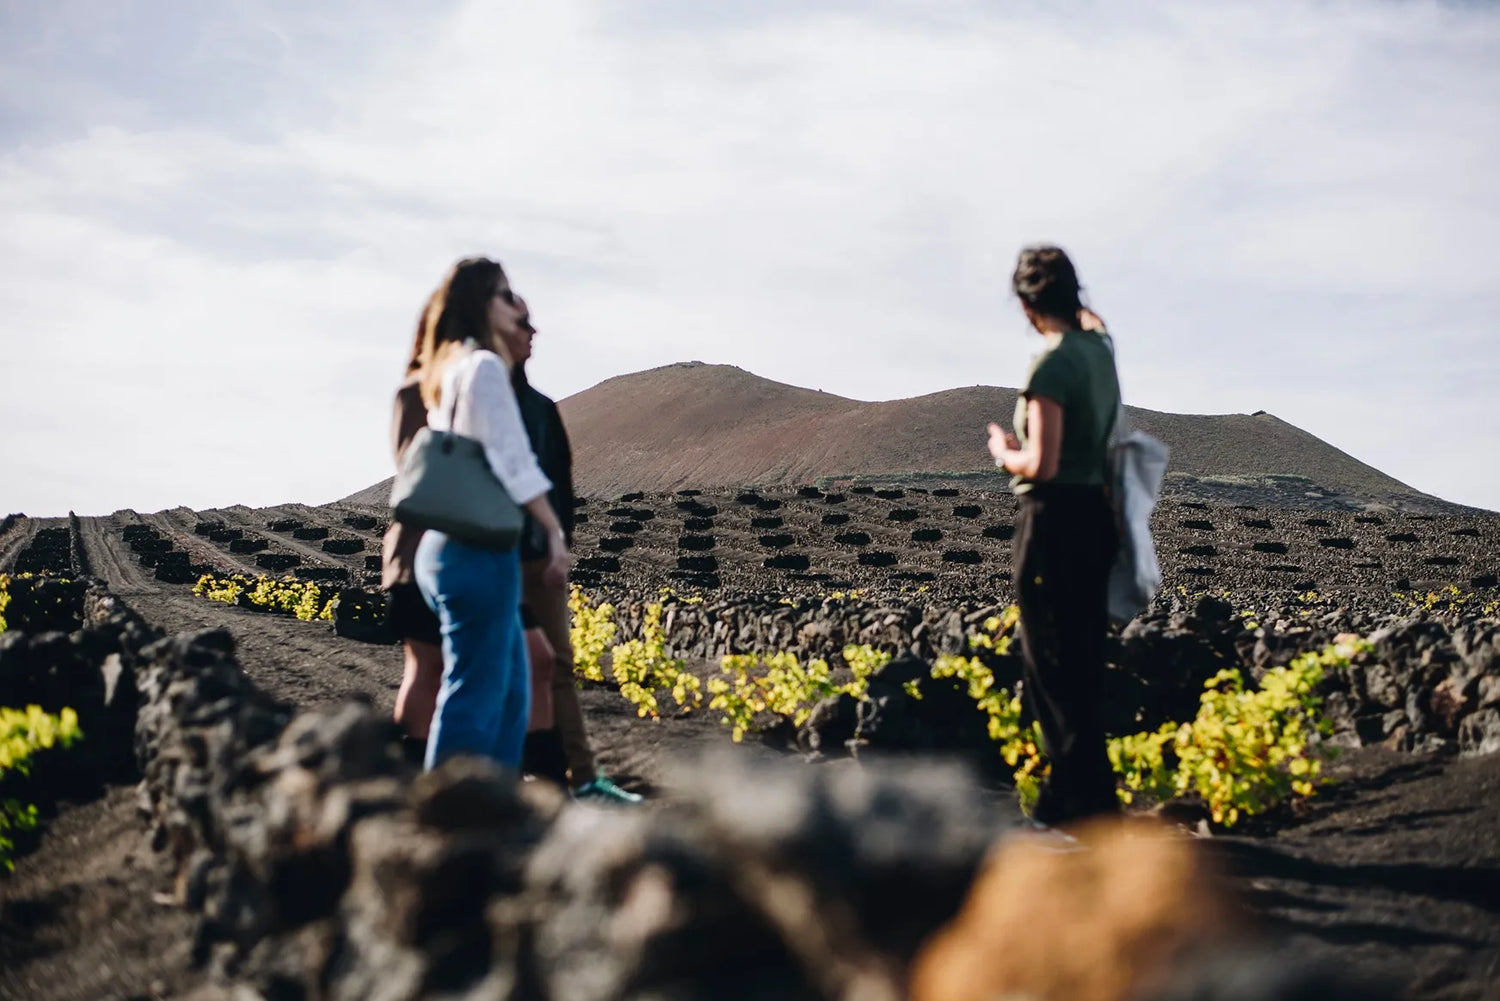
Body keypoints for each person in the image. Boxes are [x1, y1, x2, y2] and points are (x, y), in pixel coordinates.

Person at [410, 258, 569, 771]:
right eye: (506, 295)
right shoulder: (481, 368)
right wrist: (552, 529)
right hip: (476, 552)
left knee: (508, 693)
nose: (518, 306)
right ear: (481, 305)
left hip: (446, 547)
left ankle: (489, 810)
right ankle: (448, 819)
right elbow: (513, 461)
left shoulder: (450, 369)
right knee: (478, 696)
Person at [987, 245, 1120, 826]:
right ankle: (1089, 799)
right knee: (1084, 658)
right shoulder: (1099, 351)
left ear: (1024, 306)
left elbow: (1041, 462)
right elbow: (1096, 323)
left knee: (1048, 664)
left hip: (1051, 518)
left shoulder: (1053, 364)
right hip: (1098, 516)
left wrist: (1002, 453)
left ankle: (1075, 804)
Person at [499, 295, 643, 804]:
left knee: (556, 663)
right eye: (524, 323)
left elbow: (559, 483)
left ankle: (579, 777)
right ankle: (498, 779)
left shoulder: (540, 408)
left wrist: (561, 544)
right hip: (493, 555)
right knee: (501, 664)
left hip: (539, 558)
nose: (534, 333)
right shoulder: (487, 400)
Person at [382, 299, 444, 766]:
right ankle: (414, 767)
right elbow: (414, 472)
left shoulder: (419, 393)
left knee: (429, 668)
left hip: (423, 554)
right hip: (417, 555)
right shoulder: (417, 394)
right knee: (426, 667)